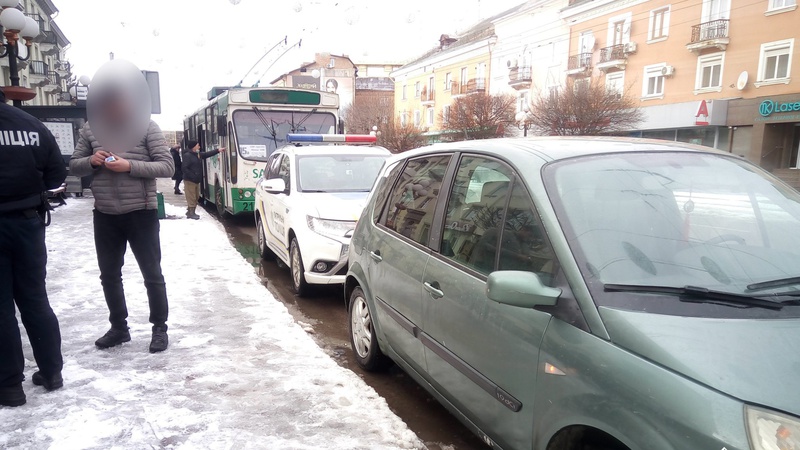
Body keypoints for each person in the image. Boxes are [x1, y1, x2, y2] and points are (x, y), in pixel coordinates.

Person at [69, 88, 175, 354]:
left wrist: (129, 166)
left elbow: (167, 167)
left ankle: (159, 328)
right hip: (104, 214)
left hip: (141, 211)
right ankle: (119, 328)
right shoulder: (91, 130)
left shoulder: (147, 127)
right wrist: (92, 161)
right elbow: (74, 165)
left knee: (152, 275)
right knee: (109, 275)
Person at [0, 94, 67, 407]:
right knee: (35, 298)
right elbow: (56, 174)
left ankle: (10, 386)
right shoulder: (31, 124)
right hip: (29, 224)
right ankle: (52, 372)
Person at [181, 140, 224, 220]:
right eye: (198, 145)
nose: (199, 146)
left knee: (196, 196)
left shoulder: (196, 155)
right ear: (194, 147)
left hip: (196, 180)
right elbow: (184, 168)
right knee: (191, 197)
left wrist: (218, 150)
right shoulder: (187, 156)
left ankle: (190, 211)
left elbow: (206, 154)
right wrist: (193, 176)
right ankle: (191, 213)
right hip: (190, 180)